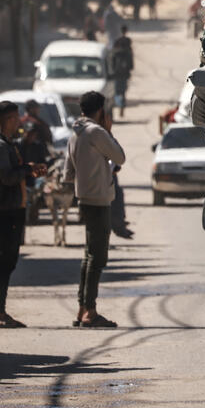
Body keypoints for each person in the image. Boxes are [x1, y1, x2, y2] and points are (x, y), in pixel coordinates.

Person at [66, 92, 126, 328]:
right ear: (100, 110)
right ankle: (90, 311)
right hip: (99, 199)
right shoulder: (96, 132)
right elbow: (119, 156)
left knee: (89, 254)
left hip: (85, 197)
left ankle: (83, 307)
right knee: (97, 256)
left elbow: (68, 171)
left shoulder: (76, 132)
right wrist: (109, 130)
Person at [0, 100, 44, 328]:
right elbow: (7, 176)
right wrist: (27, 169)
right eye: (16, 118)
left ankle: (0, 311)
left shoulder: (7, 144)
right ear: (8, 120)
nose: (19, 121)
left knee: (9, 261)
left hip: (13, 210)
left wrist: (29, 167)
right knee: (2, 261)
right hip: (3, 211)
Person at [110, 27, 135, 117]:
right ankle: (122, 105)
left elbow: (112, 59)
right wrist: (130, 69)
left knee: (117, 91)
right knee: (123, 91)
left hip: (117, 73)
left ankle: (119, 103)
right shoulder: (128, 43)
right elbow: (131, 60)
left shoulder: (117, 43)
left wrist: (112, 70)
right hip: (125, 73)